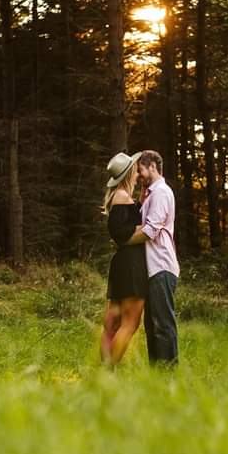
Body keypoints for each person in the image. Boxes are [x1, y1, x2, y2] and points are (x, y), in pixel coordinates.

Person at [125, 150, 179, 365]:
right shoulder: (150, 194)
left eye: (140, 170)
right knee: (152, 324)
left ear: (152, 167)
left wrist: (123, 241)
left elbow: (150, 231)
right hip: (152, 268)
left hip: (161, 266)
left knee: (162, 324)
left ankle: (169, 373)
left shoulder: (161, 193)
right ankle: (157, 374)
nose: (138, 176)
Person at [100, 151, 148, 366]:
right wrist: (149, 229)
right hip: (131, 264)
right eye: (135, 171)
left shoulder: (120, 196)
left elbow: (124, 225)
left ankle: (104, 371)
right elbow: (120, 233)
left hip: (123, 263)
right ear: (128, 173)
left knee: (112, 324)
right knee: (130, 323)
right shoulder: (121, 196)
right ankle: (108, 371)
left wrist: (141, 200)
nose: (138, 174)